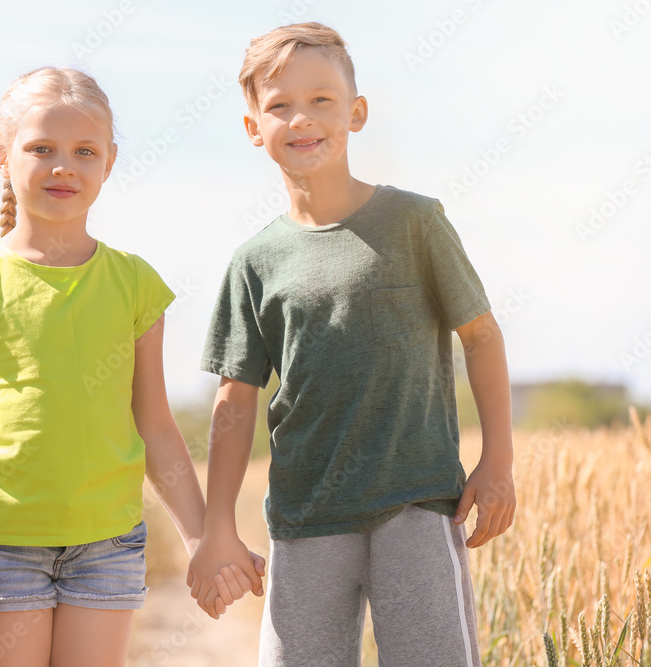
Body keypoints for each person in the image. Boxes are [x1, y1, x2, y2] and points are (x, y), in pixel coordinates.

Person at [186, 23, 516, 666]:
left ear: (356, 113)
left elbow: (481, 336)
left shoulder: (415, 221)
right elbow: (235, 401)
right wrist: (218, 526)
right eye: (279, 105)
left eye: (321, 101)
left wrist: (496, 459)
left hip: (417, 502)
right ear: (254, 127)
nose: (301, 118)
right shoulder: (254, 261)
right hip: (305, 517)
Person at [0, 66, 262, 667]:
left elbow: (155, 426)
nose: (63, 167)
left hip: (107, 544)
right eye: (41, 149)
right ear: (2, 156)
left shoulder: (133, 284)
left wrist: (203, 540)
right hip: (3, 545)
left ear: (109, 162)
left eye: (84, 151)